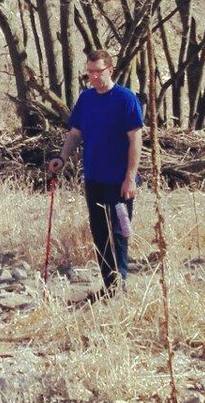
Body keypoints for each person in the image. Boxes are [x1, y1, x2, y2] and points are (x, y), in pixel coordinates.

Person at [49, 50, 143, 296]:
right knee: (100, 234)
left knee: (119, 233)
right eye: (89, 72)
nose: (93, 77)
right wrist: (62, 157)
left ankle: (120, 285)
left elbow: (135, 139)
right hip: (94, 179)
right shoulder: (86, 99)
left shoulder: (126, 99)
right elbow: (75, 133)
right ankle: (108, 285)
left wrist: (130, 177)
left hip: (120, 182)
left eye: (98, 72)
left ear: (110, 70)